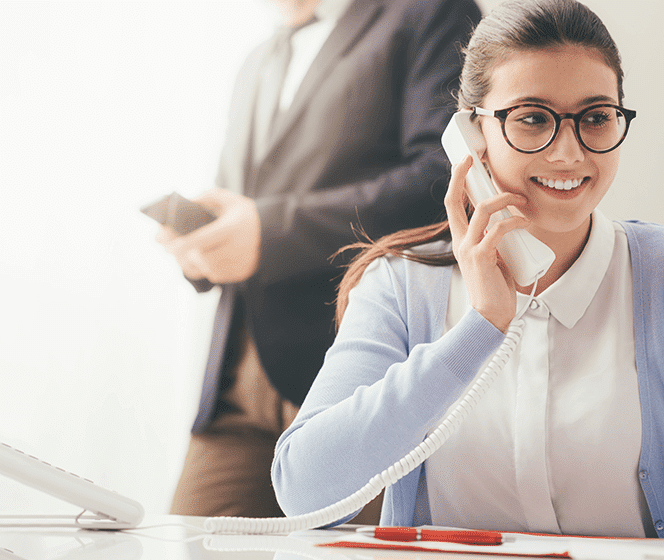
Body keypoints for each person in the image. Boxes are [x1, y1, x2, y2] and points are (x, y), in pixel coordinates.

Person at [272, 0, 664, 549]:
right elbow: (305, 494)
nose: (568, 152)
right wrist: (479, 329)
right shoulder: (401, 286)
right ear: (471, 136)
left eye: (596, 117)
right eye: (532, 118)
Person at [157, 0, 481, 519]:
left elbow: (442, 175)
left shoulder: (430, 14)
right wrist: (203, 247)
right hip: (237, 384)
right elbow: (238, 201)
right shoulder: (256, 61)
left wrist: (270, 233)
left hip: (358, 368)